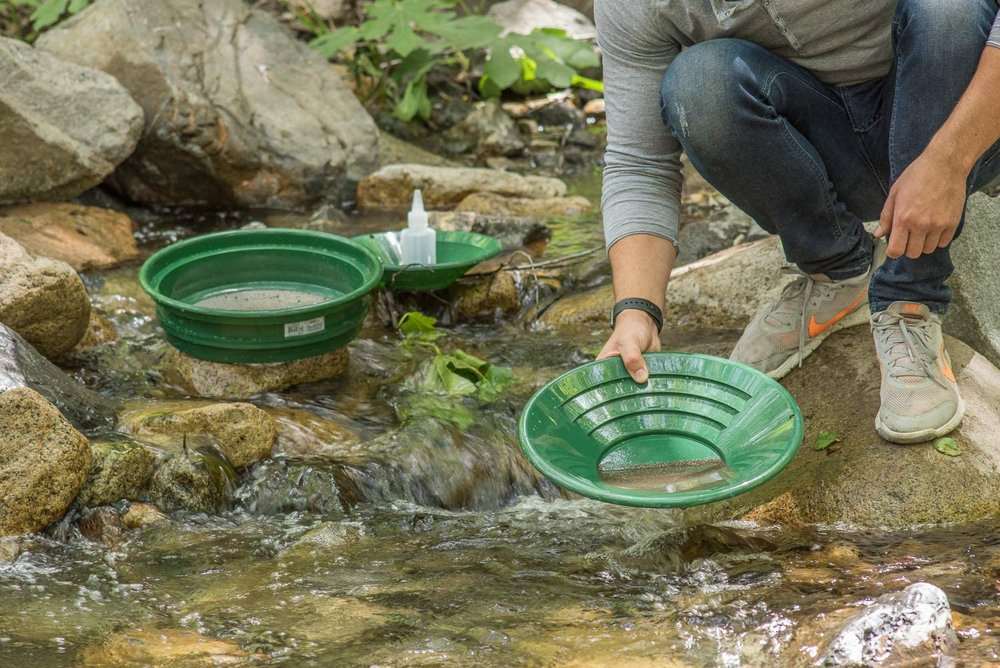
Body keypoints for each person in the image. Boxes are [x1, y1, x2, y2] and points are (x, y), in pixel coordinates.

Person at [595, 0, 1000, 444]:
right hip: (819, 137)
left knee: (950, 7)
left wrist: (948, 161)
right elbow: (640, 163)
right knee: (700, 83)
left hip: (960, 116)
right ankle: (841, 271)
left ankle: (910, 300)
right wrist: (637, 311)